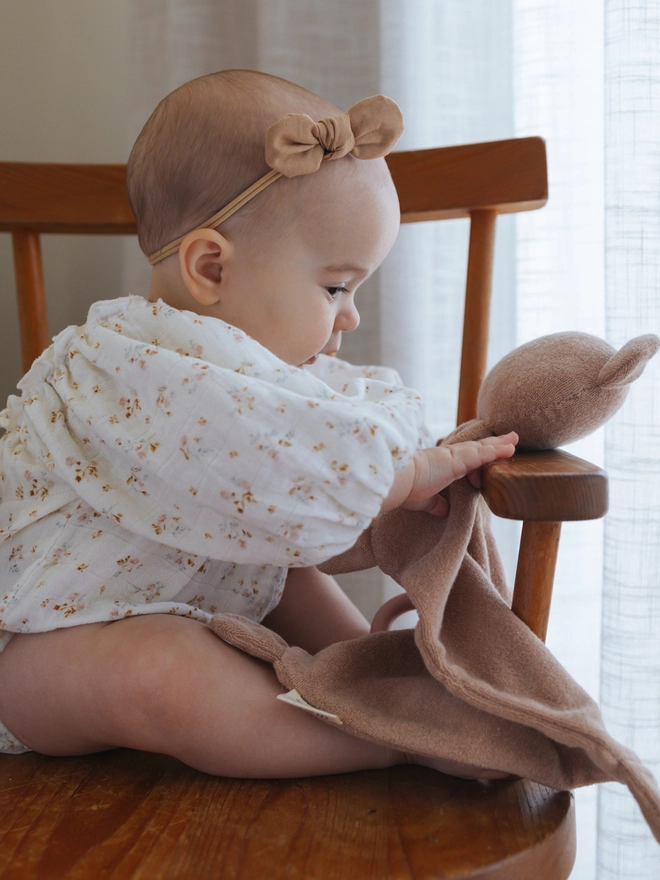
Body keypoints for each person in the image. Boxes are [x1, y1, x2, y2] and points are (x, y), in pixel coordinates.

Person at [0, 70, 517, 778]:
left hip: (197, 598)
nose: (351, 316)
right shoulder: (125, 362)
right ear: (210, 266)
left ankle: (392, 689)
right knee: (163, 670)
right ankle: (395, 737)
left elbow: (298, 487)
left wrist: (395, 497)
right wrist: (400, 477)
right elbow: (274, 475)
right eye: (336, 286)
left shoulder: (267, 379)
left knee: (286, 573)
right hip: (45, 645)